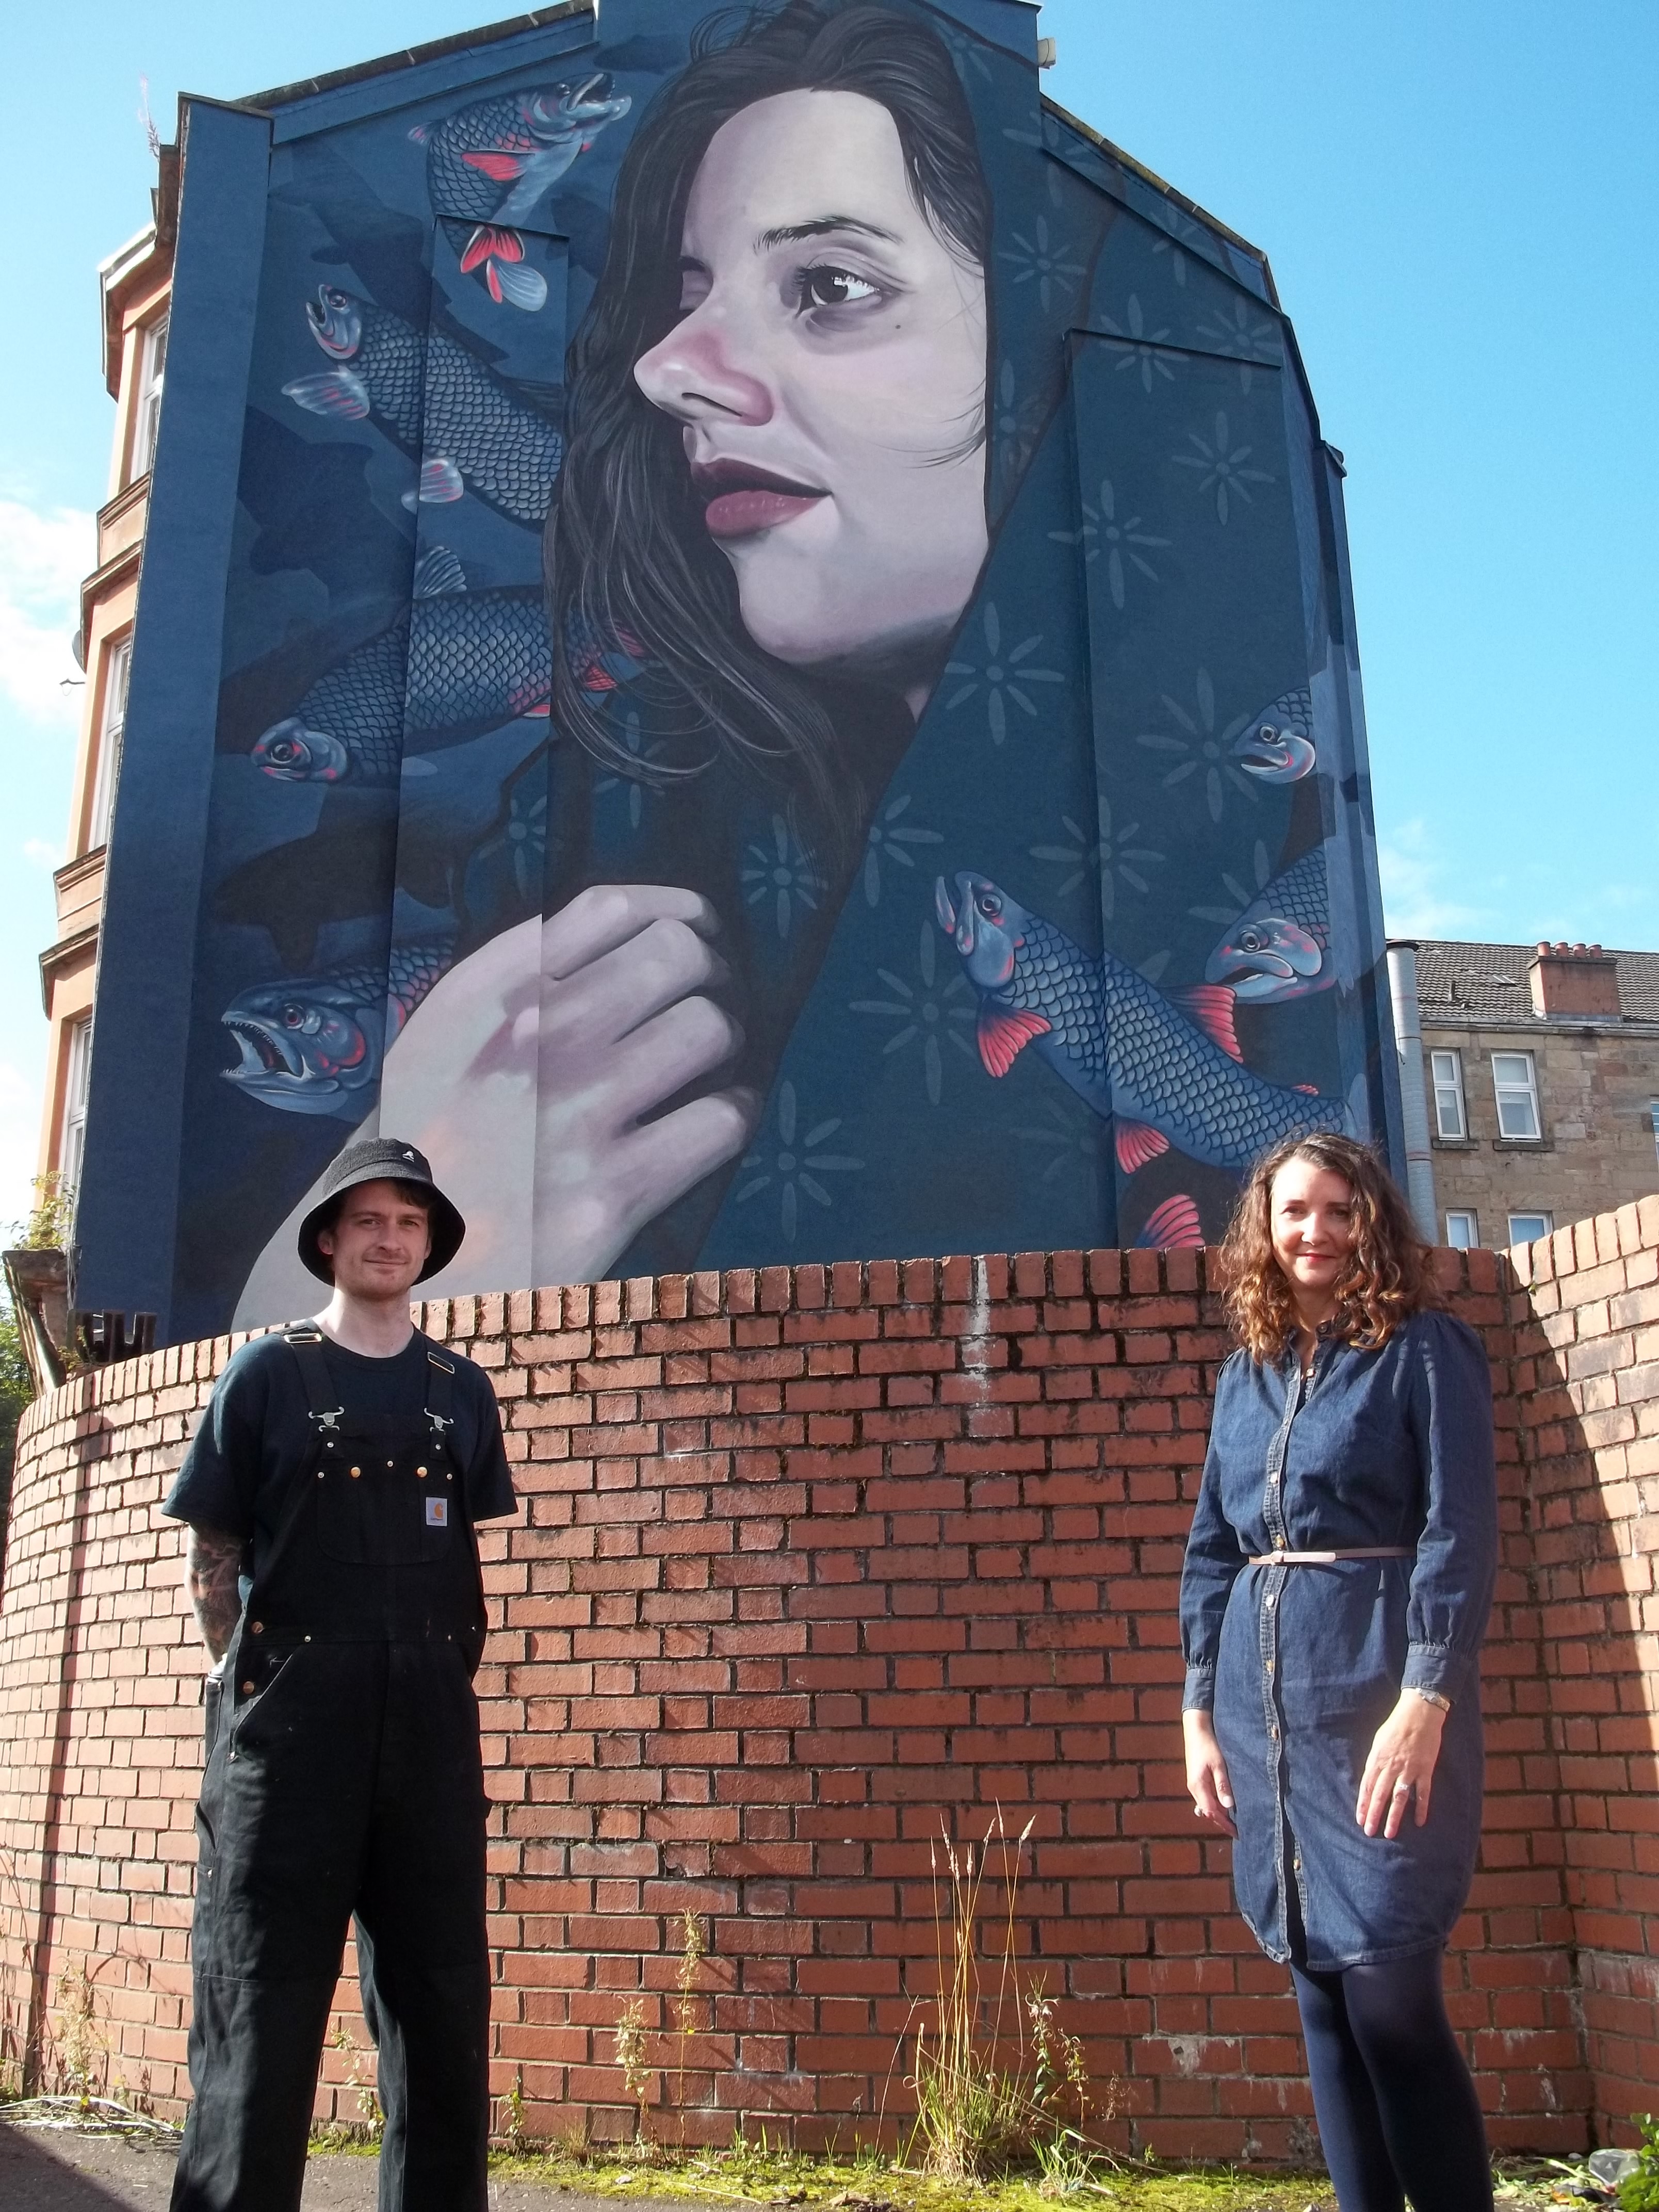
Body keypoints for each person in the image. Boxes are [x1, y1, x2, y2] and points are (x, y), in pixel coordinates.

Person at [234, 1, 997, 1323]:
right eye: (687, 296)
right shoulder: (590, 829)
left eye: (828, 287)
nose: (667, 365)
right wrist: (396, 1244)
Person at [166, 1139, 518, 2212]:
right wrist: (245, 1686)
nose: (388, 1238)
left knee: (443, 2004)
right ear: (329, 1237)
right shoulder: (266, 1373)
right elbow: (212, 1554)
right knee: (259, 2003)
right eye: (367, 1219)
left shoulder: (464, 1391)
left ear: (428, 1246)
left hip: (427, 1732)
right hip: (288, 1736)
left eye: (408, 1223)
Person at [1179, 1133, 1497, 2212]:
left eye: (1341, 1211)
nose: (1317, 1232)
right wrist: (1196, 1709)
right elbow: (1213, 1550)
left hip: (1377, 1696)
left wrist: (1428, 1692)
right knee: (1319, 1985)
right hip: (1264, 1712)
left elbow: (1460, 1533)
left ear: (1375, 1222)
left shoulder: (1424, 1349)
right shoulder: (1244, 1376)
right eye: (1296, 1211)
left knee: (1392, 1995)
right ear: (1263, 1231)